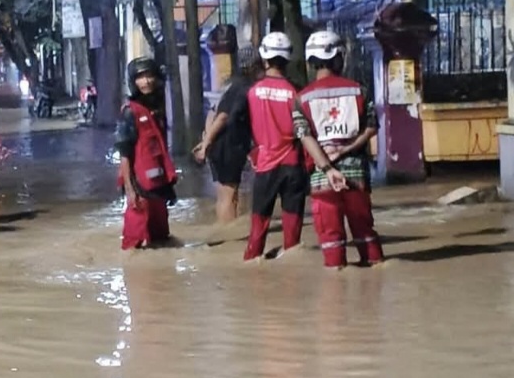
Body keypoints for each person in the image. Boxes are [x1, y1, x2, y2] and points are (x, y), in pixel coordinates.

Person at [231, 32, 347, 261]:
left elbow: (235, 121)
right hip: (294, 164)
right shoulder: (297, 91)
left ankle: (252, 261)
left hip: (265, 164)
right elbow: (309, 128)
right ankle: (291, 264)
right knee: (292, 225)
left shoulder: (251, 91)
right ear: (288, 59)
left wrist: (250, 150)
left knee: (259, 222)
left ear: (264, 58)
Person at [300, 30, 384, 269]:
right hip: (356, 175)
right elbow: (371, 128)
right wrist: (345, 149)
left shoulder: (301, 99)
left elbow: (304, 136)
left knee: (331, 240)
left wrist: (327, 167)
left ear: (311, 62)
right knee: (365, 232)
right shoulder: (359, 90)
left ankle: (337, 287)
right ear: (339, 58)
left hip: (322, 179)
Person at [193, 46, 263, 223]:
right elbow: (223, 117)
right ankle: (229, 232)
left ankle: (225, 228)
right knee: (229, 195)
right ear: (255, 66)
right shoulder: (243, 89)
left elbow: (213, 113)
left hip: (221, 146)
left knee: (226, 194)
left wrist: (206, 139)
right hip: (228, 146)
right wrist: (206, 144)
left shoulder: (230, 85)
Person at [114, 57, 178, 250]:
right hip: (139, 185)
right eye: (141, 77)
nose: (146, 81)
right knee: (134, 242)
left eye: (150, 76)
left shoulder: (156, 110)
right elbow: (124, 154)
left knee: (161, 238)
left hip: (158, 185)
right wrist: (130, 189)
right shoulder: (130, 113)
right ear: (133, 82)